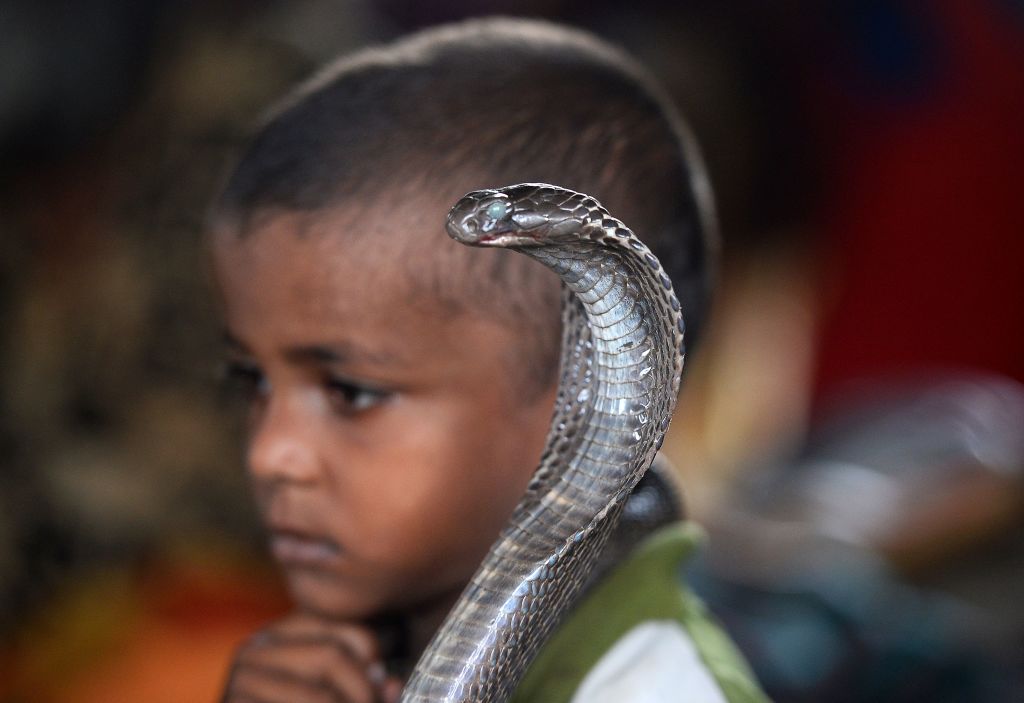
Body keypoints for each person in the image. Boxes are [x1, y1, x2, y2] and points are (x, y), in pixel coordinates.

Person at [208, 17, 764, 703]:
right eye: (253, 380)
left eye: (351, 391)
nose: (272, 452)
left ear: (578, 409)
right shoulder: (346, 646)